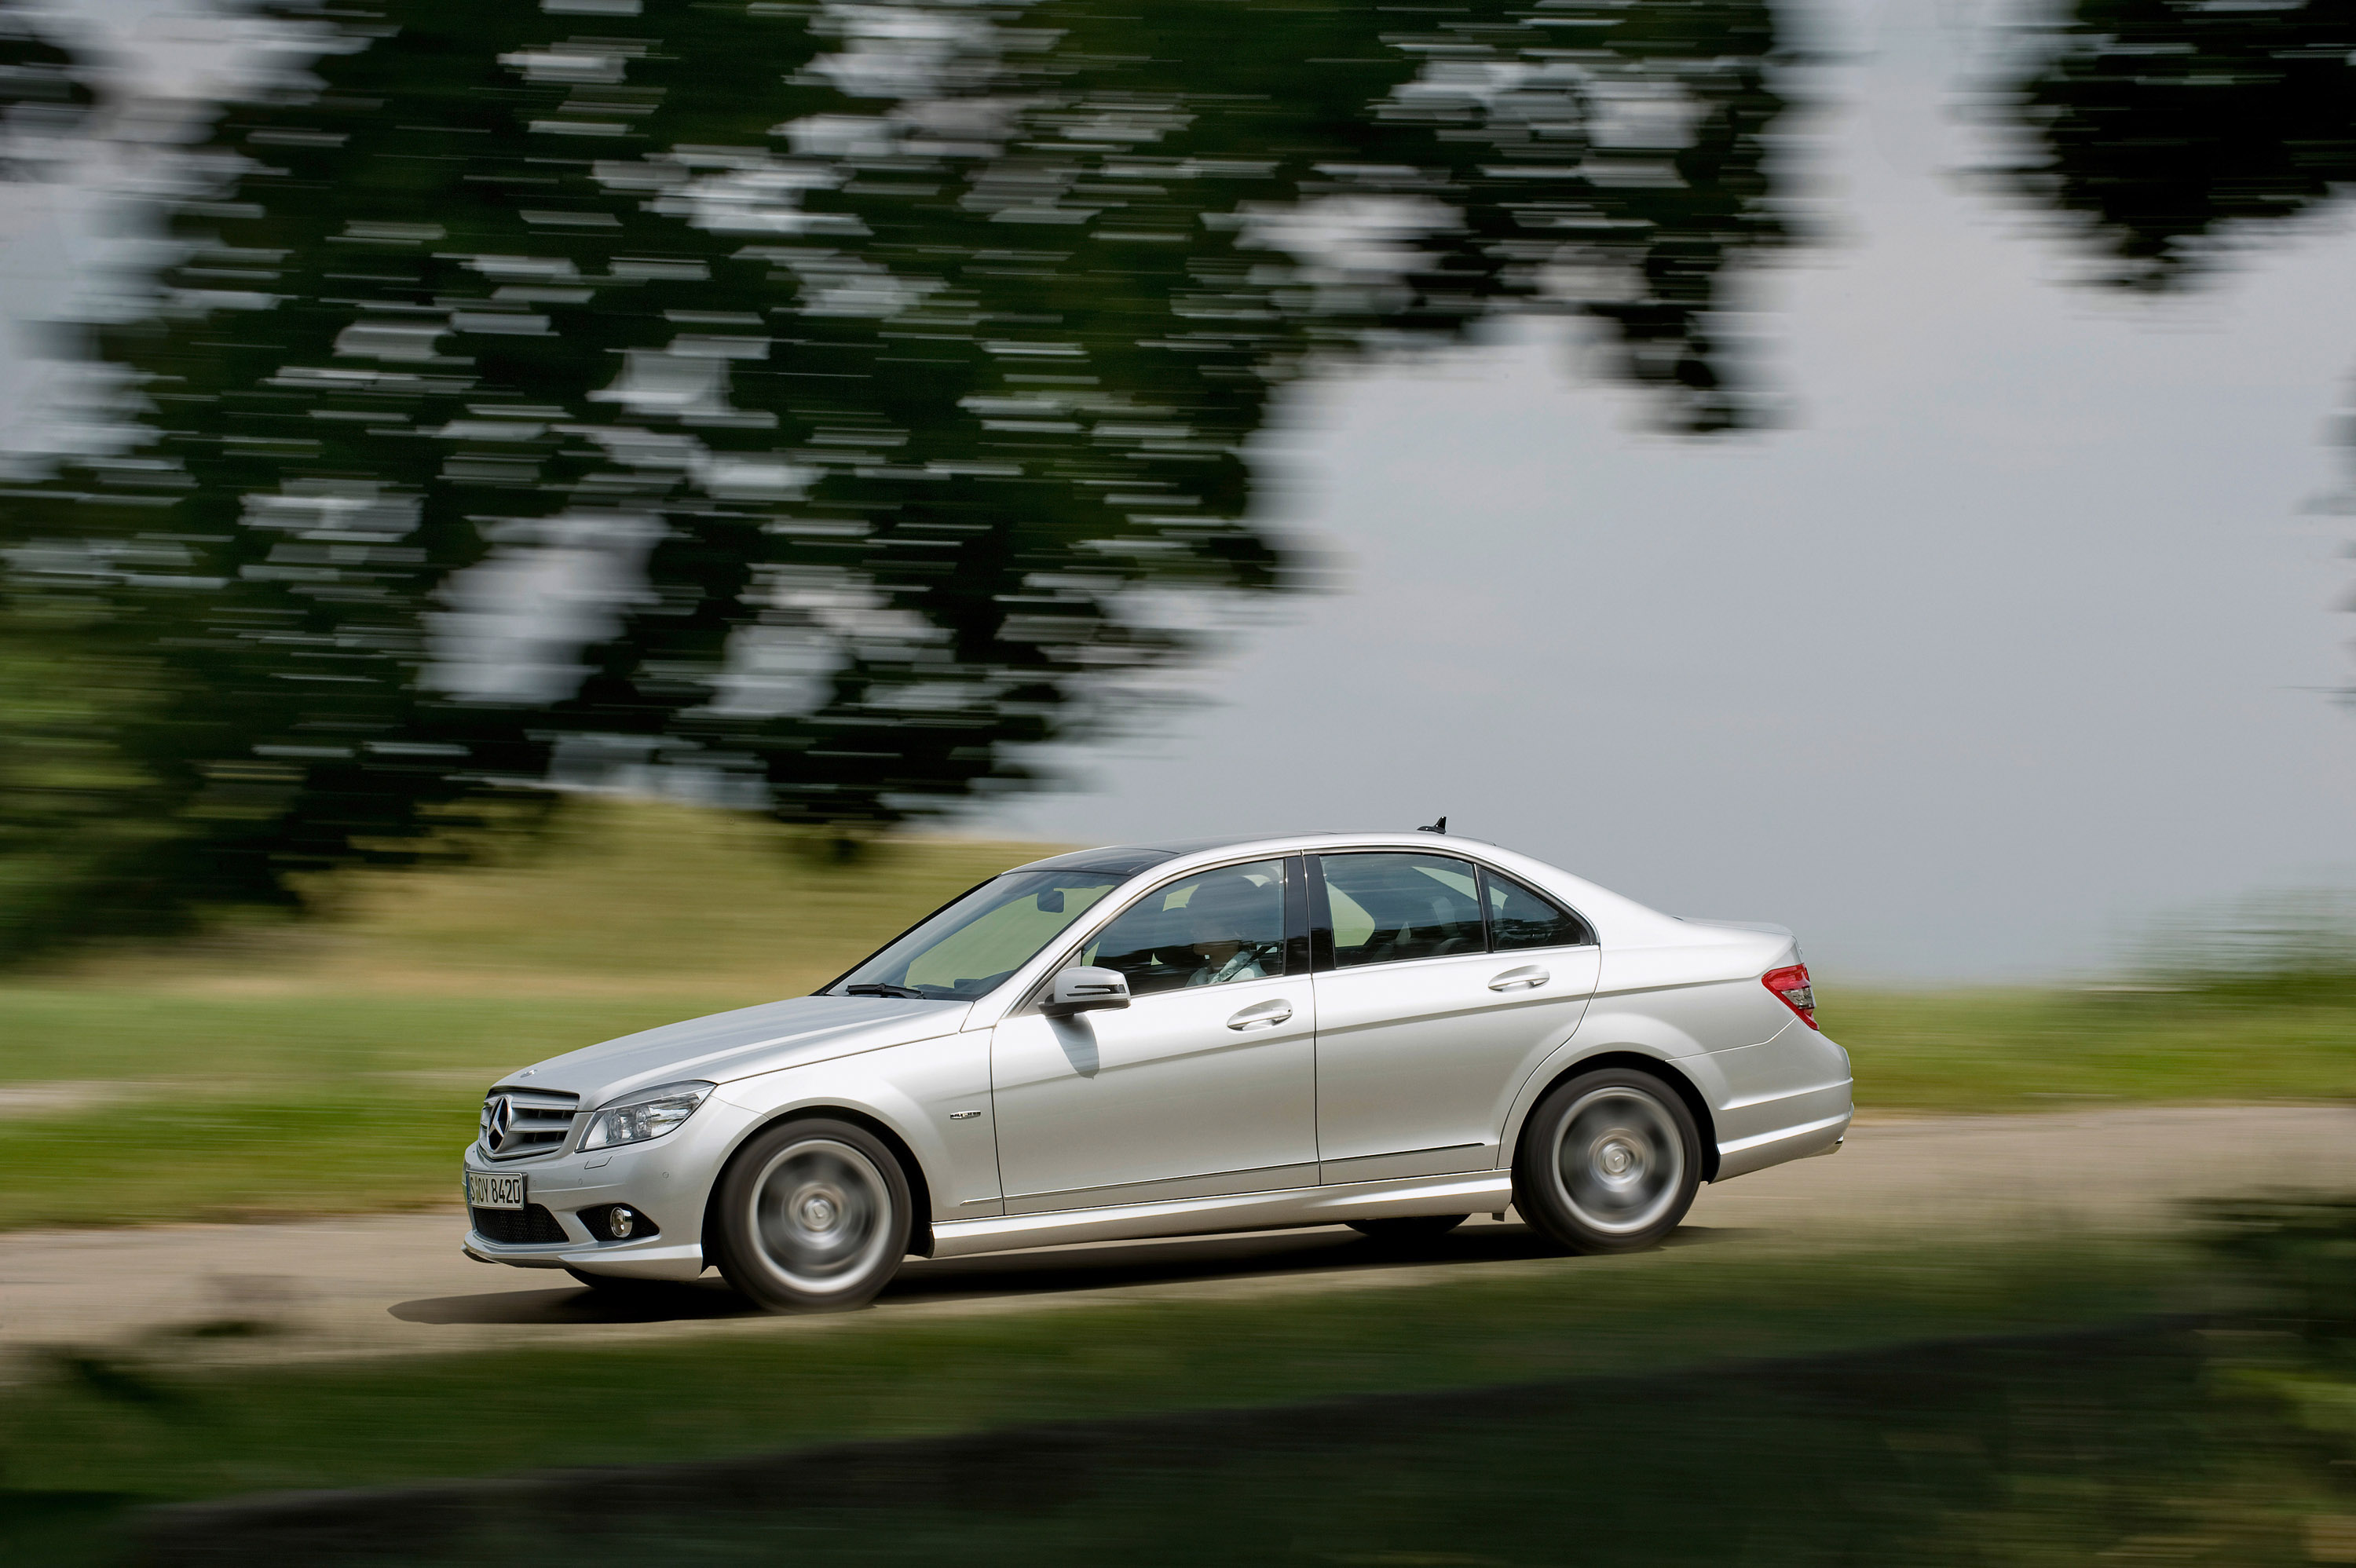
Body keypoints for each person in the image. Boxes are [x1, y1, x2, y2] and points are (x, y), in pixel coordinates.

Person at [1180, 874, 1280, 986]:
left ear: (1237, 929)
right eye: (1193, 921)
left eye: (1203, 921)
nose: (1193, 930)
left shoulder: (1248, 981)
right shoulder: (1200, 976)